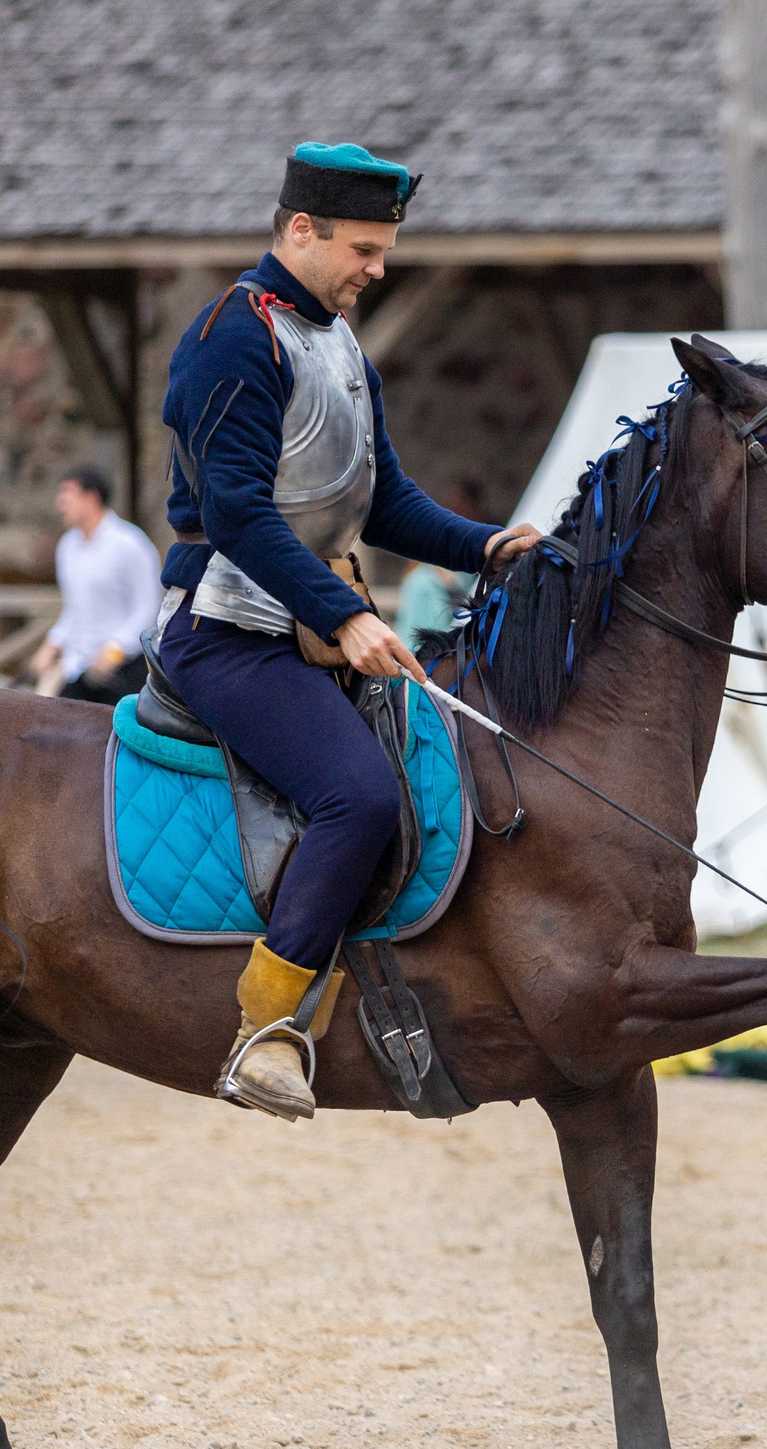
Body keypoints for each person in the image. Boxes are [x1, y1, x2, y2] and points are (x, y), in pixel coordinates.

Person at [157, 140, 542, 1121]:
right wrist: (344, 613)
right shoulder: (230, 338)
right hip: (222, 633)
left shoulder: (338, 346)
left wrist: (492, 547)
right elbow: (238, 513)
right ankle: (267, 1034)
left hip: (304, 630)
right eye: (365, 250)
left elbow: (389, 506)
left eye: (385, 251)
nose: (380, 269)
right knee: (360, 796)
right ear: (301, 230)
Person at [31, 464, 162, 704]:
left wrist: (114, 649)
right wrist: (53, 643)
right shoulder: (67, 546)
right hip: (78, 668)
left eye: (67, 493)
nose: (60, 503)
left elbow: (148, 607)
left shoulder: (130, 543)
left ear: (91, 498)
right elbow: (75, 607)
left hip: (124, 672)